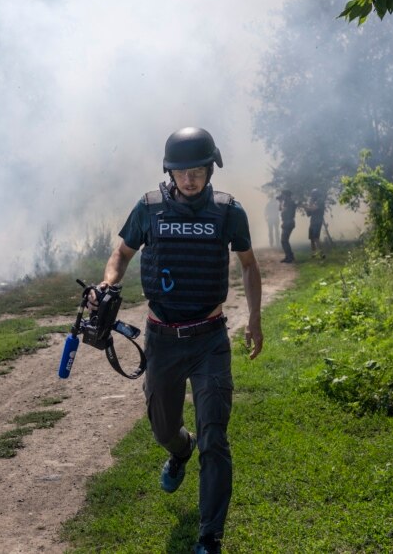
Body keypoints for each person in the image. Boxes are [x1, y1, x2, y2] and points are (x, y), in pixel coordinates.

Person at [94, 126, 262, 554]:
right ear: (170, 172)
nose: (190, 179)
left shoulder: (229, 212)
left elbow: (248, 265)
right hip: (163, 339)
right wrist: (108, 284)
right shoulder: (149, 208)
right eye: (182, 171)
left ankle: (210, 536)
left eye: (198, 171)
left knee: (215, 437)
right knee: (164, 428)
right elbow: (121, 254)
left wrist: (255, 320)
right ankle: (179, 450)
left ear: (211, 169)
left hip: (209, 340)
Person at [306, 188, 326, 259]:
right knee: (311, 238)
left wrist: (308, 206)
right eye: (312, 194)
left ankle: (321, 253)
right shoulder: (314, 202)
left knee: (316, 238)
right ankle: (313, 254)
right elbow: (308, 214)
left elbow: (313, 209)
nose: (312, 196)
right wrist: (308, 206)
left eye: (313, 194)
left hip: (317, 221)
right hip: (312, 221)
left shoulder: (320, 200)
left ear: (317, 194)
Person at [278, 189, 297, 263]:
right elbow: (280, 209)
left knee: (284, 240)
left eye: (283, 195)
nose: (282, 196)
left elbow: (283, 210)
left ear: (286, 195)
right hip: (287, 222)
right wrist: (280, 202)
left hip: (288, 222)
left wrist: (281, 202)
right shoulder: (287, 202)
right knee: (284, 241)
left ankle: (290, 257)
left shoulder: (289, 202)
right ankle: (289, 256)